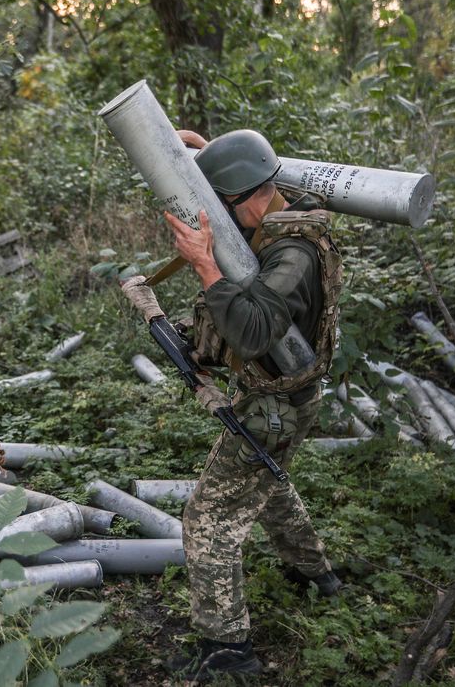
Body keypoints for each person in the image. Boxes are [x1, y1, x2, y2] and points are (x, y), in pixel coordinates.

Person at [165, 129, 344, 679]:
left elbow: (253, 334)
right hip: (289, 401)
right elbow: (242, 163)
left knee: (208, 519)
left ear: (244, 196)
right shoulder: (281, 202)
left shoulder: (292, 254)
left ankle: (229, 650)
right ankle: (319, 577)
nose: (217, 214)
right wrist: (193, 147)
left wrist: (203, 263)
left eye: (221, 203)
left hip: (276, 407)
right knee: (268, 487)